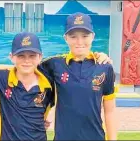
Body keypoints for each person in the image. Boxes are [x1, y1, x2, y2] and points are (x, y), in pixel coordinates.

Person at [39, 12, 117, 140]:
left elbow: (110, 111)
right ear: (66, 38)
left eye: (85, 36)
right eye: (73, 36)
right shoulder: (54, 64)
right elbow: (24, 68)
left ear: (92, 36)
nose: (79, 41)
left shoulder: (105, 67)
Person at [0, 32, 54, 140]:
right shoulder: (1, 77)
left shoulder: (49, 85)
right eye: (21, 56)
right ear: (11, 57)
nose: (27, 61)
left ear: (40, 57)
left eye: (32, 56)